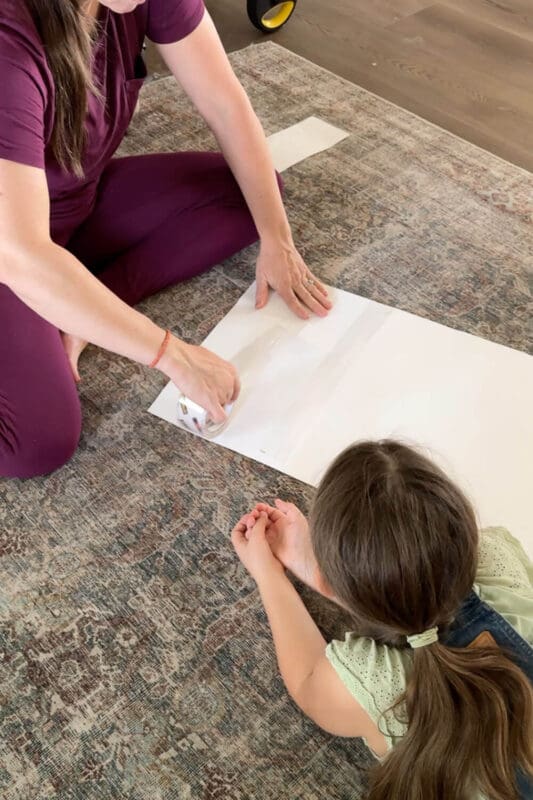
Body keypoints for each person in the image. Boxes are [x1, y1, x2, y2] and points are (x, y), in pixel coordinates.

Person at [0, 0, 331, 479]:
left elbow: (225, 102)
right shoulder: (10, 37)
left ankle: (80, 309)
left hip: (70, 211)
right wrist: (173, 355)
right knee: (37, 439)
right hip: (12, 245)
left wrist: (278, 241)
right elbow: (20, 253)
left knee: (250, 195)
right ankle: (68, 300)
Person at [232, 440, 533, 800]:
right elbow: (424, 590)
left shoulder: (374, 683)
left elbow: (307, 682)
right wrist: (326, 575)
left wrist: (268, 573)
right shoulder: (499, 558)